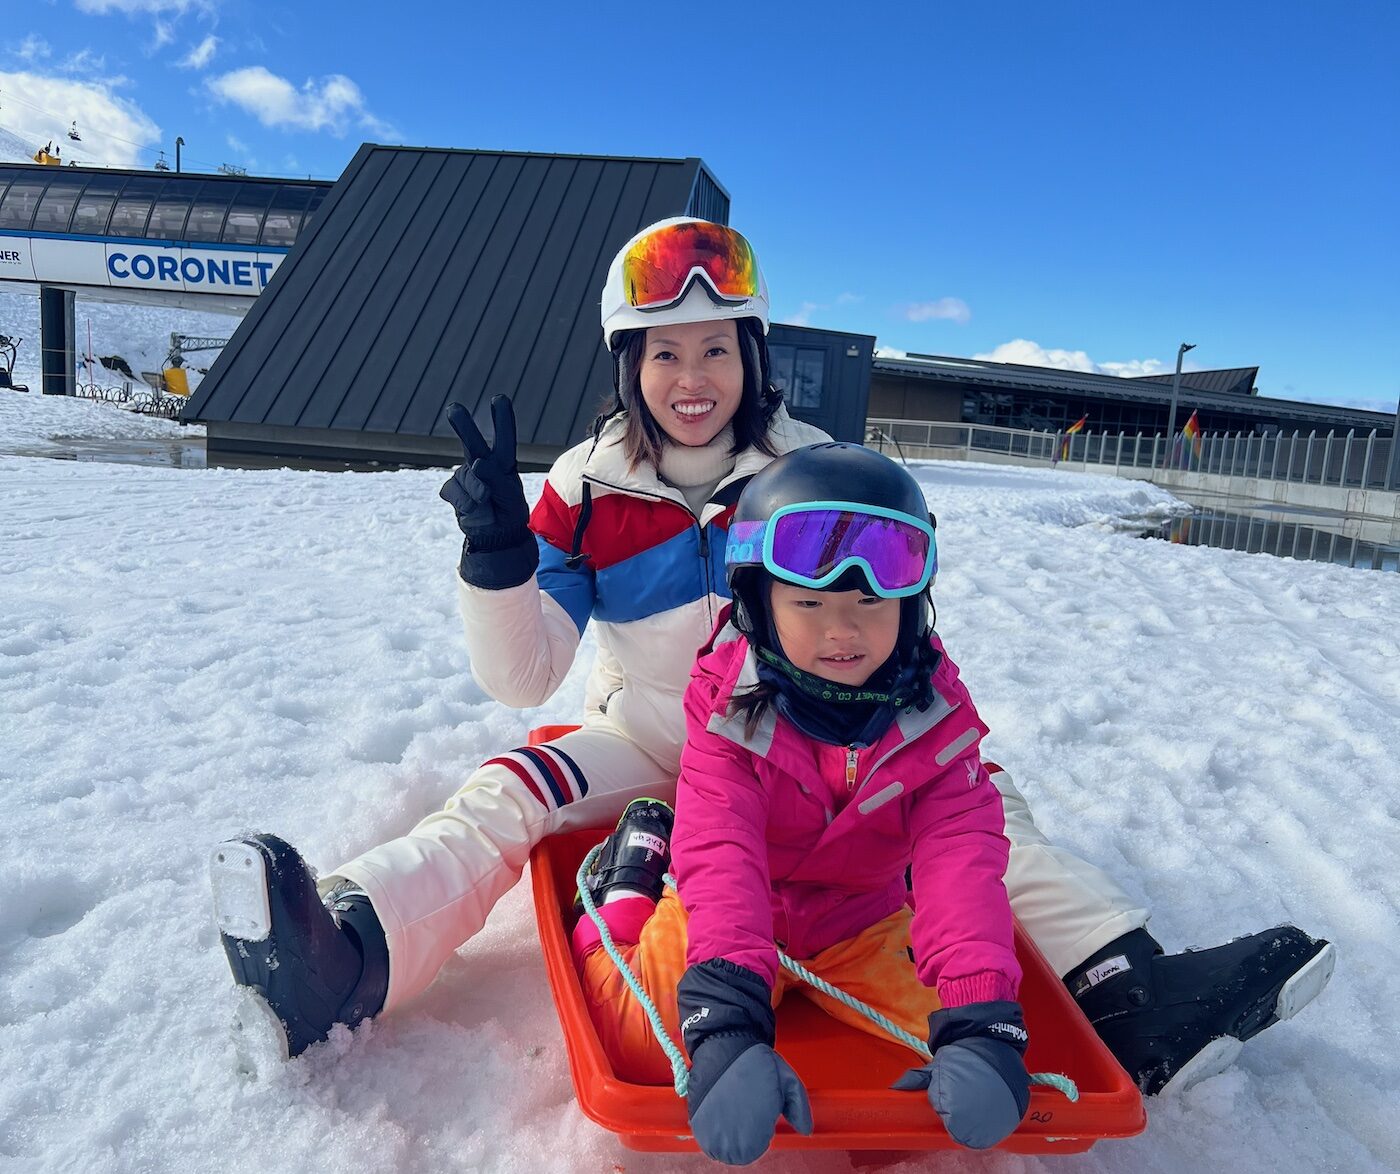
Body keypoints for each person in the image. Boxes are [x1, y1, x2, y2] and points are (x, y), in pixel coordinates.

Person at [211, 217, 1334, 1096]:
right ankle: (347, 958)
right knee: (507, 788)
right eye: (662, 353)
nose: (690, 377)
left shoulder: (816, 471)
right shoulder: (583, 486)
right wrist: (501, 555)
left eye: (714, 347)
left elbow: (885, 631)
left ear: (752, 353)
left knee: (971, 796)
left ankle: (1124, 990)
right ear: (626, 364)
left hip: (790, 747)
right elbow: (520, 677)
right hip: (644, 739)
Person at [573, 443, 1030, 1162]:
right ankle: (631, 872)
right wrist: (724, 1015)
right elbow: (722, 852)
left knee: (951, 1029)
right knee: (633, 1035)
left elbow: (960, 860)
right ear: (761, 601)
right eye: (809, 602)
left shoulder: (937, 721)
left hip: (860, 919)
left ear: (911, 606)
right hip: (736, 904)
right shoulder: (729, 710)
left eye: (870, 602)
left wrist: (979, 1020)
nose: (840, 630)